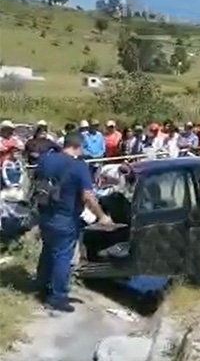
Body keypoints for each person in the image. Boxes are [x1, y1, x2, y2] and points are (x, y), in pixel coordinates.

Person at [34, 133, 115, 312]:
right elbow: (88, 197)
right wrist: (102, 216)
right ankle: (58, 298)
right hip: (65, 218)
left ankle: (41, 288)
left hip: (45, 214)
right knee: (63, 256)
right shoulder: (79, 166)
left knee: (48, 251)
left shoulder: (46, 160)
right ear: (79, 146)